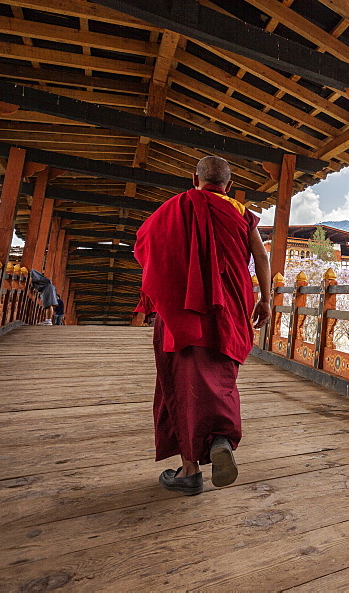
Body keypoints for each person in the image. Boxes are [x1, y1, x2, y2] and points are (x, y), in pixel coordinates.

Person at [134, 156, 271, 496]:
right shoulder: (241, 212)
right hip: (230, 305)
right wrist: (265, 299)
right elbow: (262, 258)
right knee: (221, 371)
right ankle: (220, 436)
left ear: (193, 178)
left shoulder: (174, 207)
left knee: (181, 380)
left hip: (183, 308)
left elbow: (146, 245)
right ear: (230, 183)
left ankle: (190, 469)